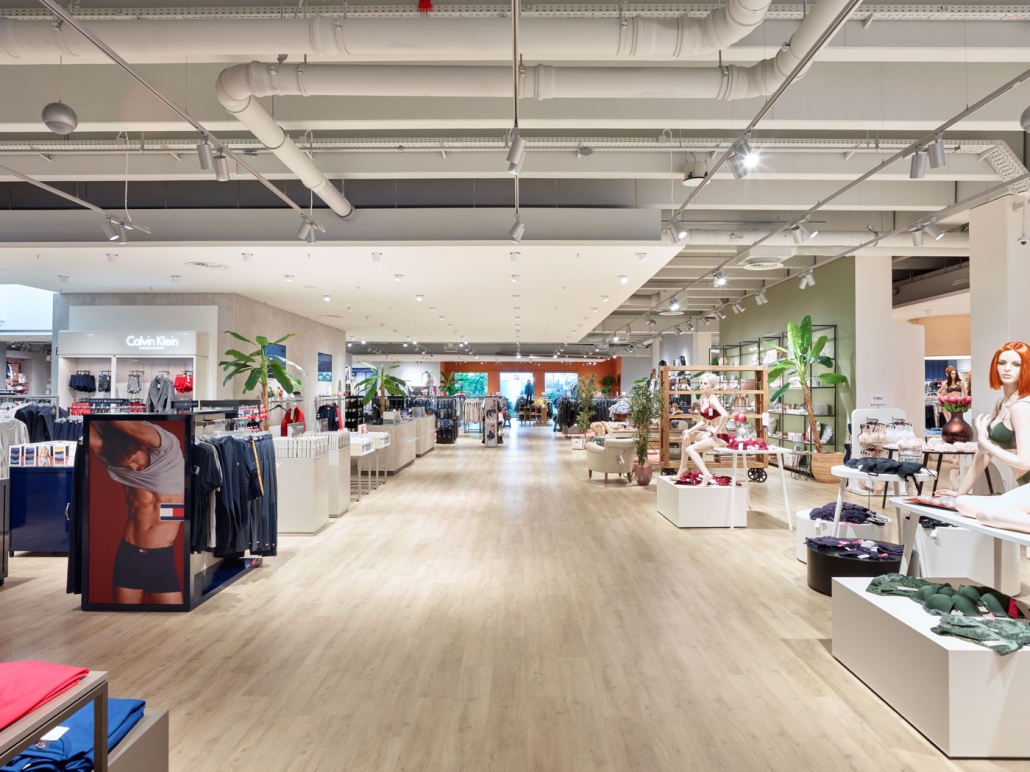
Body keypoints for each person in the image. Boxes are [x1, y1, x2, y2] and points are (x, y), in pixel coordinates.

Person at [90, 420, 186, 605]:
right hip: (129, 555)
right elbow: (93, 440)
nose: (134, 469)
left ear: (143, 446)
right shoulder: (117, 462)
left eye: (135, 460)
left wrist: (109, 411)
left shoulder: (167, 451)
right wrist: (87, 413)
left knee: (172, 619)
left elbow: (134, 428)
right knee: (125, 619)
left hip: (161, 557)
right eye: (128, 466)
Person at [937, 342, 1030, 533]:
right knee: (962, 503)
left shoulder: (1022, 407)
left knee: (987, 513)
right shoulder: (1001, 404)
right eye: (1002, 363)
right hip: (1025, 486)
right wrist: (960, 491)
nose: (1007, 369)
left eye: (1016, 364)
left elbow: (1024, 462)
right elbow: (984, 454)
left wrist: (985, 442)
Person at [677, 372, 729, 485]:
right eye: (701, 383)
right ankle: (683, 467)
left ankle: (707, 475)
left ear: (712, 386)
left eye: (705, 384)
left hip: (720, 437)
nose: (701, 386)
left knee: (690, 449)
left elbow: (725, 415)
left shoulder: (713, 400)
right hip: (711, 435)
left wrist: (717, 430)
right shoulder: (704, 400)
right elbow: (703, 422)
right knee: (686, 433)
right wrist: (689, 431)